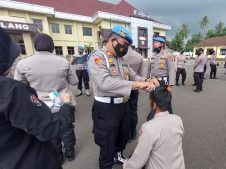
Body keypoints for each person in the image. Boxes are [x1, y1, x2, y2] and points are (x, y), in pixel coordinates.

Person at [0, 27, 74, 169]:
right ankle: (70, 152)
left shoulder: (23, 64)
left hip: (38, 102)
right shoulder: (63, 62)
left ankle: (59, 154)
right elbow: (75, 82)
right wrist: (66, 103)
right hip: (58, 100)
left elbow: (19, 81)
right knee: (65, 128)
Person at [87, 25, 158, 169]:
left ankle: (118, 155)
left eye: (128, 45)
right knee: (107, 143)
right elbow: (104, 83)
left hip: (123, 105)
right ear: (113, 40)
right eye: (124, 44)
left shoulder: (121, 60)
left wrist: (146, 81)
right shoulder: (97, 57)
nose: (126, 48)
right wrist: (137, 84)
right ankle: (106, 164)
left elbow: (134, 76)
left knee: (122, 135)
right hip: (106, 108)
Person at [123, 87, 185, 169]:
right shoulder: (178, 119)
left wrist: (126, 165)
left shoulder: (148, 128)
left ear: (154, 105)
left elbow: (136, 163)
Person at [146, 36, 176, 120]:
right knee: (153, 99)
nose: (154, 44)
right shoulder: (153, 55)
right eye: (154, 42)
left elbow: (171, 70)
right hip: (153, 81)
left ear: (162, 44)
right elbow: (148, 69)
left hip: (163, 83)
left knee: (165, 102)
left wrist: (170, 85)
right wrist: (146, 80)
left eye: (156, 42)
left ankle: (169, 118)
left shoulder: (168, 55)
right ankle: (154, 117)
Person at [124, 45, 144, 140]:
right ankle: (133, 133)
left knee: (124, 112)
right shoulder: (139, 56)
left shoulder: (120, 55)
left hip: (123, 88)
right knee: (133, 111)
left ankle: (126, 133)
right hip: (135, 87)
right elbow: (140, 74)